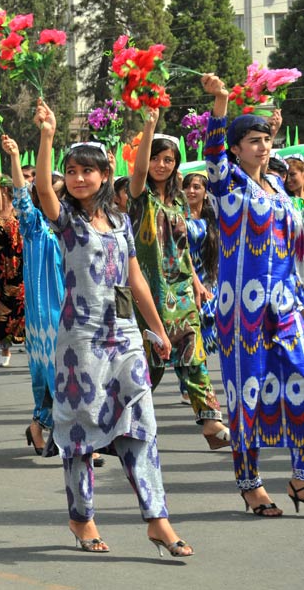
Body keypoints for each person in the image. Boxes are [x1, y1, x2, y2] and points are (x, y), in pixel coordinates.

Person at [34, 99, 193, 558]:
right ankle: (81, 517)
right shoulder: (67, 221)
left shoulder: (121, 220)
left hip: (123, 335)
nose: (80, 178)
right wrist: (47, 136)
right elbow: (45, 190)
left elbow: (136, 279)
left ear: (105, 175)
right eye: (73, 171)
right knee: (81, 429)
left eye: (89, 170)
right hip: (79, 341)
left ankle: (157, 519)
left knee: (140, 423)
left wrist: (158, 331)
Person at [201, 73, 304, 517]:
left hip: (286, 306)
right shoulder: (228, 187)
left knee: (299, 384)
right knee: (247, 395)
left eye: (266, 140)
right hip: (241, 312)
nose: (262, 146)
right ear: (236, 148)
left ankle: (300, 476)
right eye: (254, 141)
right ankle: (251, 484)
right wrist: (221, 104)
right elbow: (212, 152)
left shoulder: (279, 188)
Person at [128, 113, 231, 450]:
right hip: (151, 290)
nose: (161, 164)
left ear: (176, 165)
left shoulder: (178, 203)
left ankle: (211, 422)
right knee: (151, 363)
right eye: (156, 157)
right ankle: (118, 418)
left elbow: (183, 247)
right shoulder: (140, 196)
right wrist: (149, 128)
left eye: (168, 159)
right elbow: (140, 171)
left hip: (182, 290)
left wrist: (199, 284)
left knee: (194, 353)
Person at [1, 134, 64, 455]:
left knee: (76, 375)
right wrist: (14, 157)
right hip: (46, 316)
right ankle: (47, 426)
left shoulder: (76, 227)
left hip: (77, 311)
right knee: (52, 374)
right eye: (52, 194)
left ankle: (42, 426)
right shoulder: (34, 224)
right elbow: (21, 195)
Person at [0, 175, 25, 367]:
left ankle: (28, 343)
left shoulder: (20, 211)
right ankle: (5, 349)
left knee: (21, 307)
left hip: (18, 265)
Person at [182, 173, 219, 359]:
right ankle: (196, 386)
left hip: (211, 282)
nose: (191, 191)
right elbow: (182, 252)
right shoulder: (178, 218)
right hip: (187, 281)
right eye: (187, 186)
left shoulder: (213, 219)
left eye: (196, 187)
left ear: (206, 193)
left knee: (213, 338)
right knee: (192, 338)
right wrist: (196, 284)